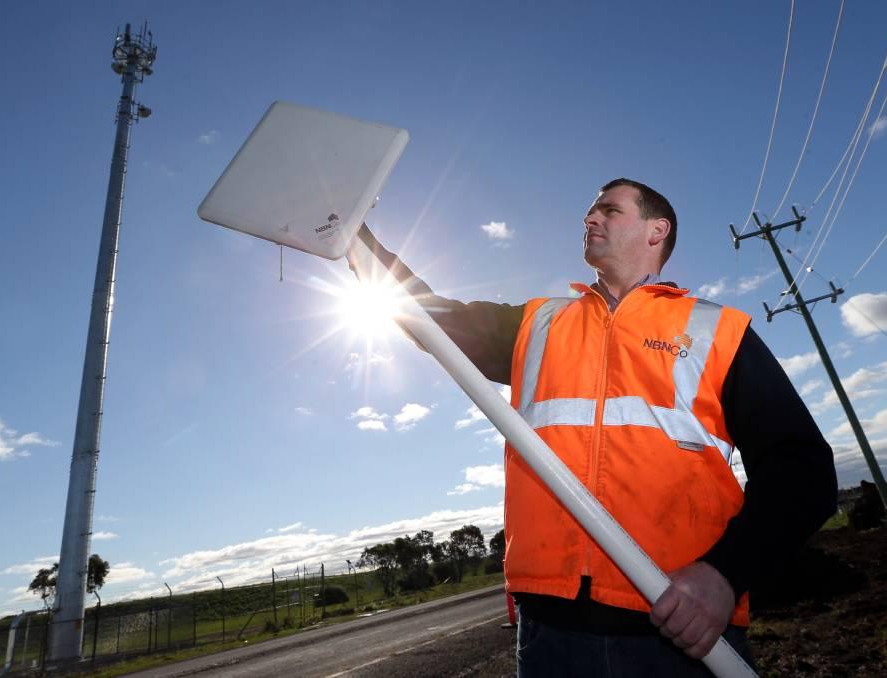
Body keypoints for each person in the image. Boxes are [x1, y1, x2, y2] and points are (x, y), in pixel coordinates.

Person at [351, 178, 838, 676]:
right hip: (550, 638)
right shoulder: (537, 324)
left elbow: (803, 473)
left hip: (679, 631)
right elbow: (428, 316)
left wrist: (723, 576)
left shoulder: (719, 331)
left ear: (657, 230)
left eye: (609, 209)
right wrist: (352, 235)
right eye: (590, 211)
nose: (589, 219)